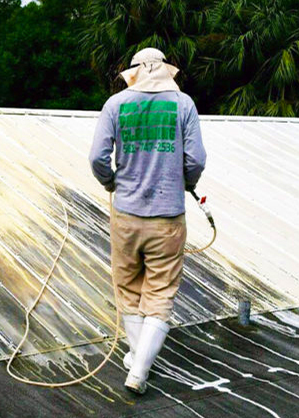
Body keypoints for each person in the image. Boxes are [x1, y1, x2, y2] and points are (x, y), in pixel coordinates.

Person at [89, 47, 206, 394]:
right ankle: (139, 371)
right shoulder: (183, 104)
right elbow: (196, 158)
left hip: (126, 215)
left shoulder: (115, 105)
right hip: (168, 217)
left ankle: (136, 359)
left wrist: (111, 181)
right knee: (160, 294)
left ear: (135, 72)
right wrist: (185, 183)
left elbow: (97, 157)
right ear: (165, 71)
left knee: (128, 288)